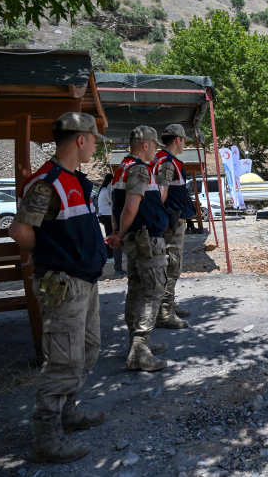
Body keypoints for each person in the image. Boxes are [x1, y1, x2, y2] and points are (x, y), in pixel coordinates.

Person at [8, 112, 108, 463]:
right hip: (65, 283)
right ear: (81, 140)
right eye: (93, 140)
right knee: (63, 361)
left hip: (85, 280)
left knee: (88, 349)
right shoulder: (46, 183)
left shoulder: (75, 180)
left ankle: (69, 411)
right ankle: (46, 439)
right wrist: (54, 255)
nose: (94, 147)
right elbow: (20, 231)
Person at [105, 126, 170, 372]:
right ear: (146, 145)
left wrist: (117, 232)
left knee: (136, 288)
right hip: (146, 241)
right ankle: (140, 350)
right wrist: (119, 234)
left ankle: (137, 344)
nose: (156, 151)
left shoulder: (121, 169)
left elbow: (116, 207)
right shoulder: (141, 169)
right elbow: (130, 208)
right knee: (154, 290)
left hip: (135, 240)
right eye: (154, 145)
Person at [151, 124, 195, 328]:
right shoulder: (167, 162)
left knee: (170, 265)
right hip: (171, 223)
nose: (184, 144)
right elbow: (161, 193)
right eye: (184, 140)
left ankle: (169, 305)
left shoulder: (162, 159)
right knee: (172, 266)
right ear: (178, 140)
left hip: (171, 221)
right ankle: (165, 313)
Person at [97, 173, 124, 276]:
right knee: (110, 235)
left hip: (102, 214)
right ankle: (109, 256)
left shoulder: (102, 189)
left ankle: (111, 256)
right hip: (107, 214)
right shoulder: (106, 189)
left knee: (109, 234)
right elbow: (111, 201)